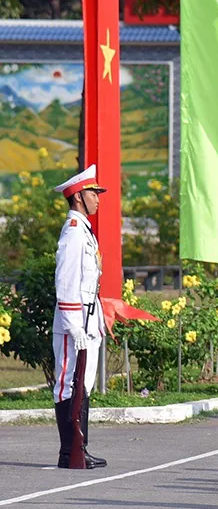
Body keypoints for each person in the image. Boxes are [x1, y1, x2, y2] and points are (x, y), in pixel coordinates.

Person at [51, 164, 107, 469]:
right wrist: (74, 328)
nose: (98, 198)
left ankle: (79, 448)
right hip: (74, 326)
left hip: (87, 324)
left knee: (83, 385)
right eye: (93, 193)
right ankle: (68, 452)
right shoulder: (73, 235)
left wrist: (96, 322)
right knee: (68, 385)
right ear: (77, 197)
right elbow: (67, 283)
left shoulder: (85, 232)